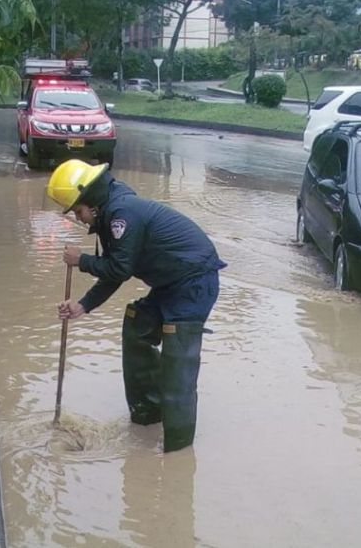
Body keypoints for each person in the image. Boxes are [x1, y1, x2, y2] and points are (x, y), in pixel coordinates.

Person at [46, 159, 226, 452]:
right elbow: (117, 269)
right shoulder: (109, 213)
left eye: (78, 211)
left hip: (193, 283)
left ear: (90, 202)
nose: (79, 219)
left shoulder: (122, 214)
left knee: (176, 364)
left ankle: (177, 451)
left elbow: (118, 268)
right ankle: (147, 418)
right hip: (170, 284)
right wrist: (83, 306)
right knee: (136, 324)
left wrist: (82, 261)